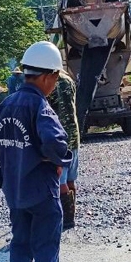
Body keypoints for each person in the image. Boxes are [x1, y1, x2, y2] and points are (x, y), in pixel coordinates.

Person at [0, 41, 70, 262]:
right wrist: (57, 157)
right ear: (46, 76)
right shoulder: (39, 106)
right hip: (42, 194)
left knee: (20, 247)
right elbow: (56, 142)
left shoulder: (6, 104)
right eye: (56, 78)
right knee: (46, 251)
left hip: (15, 193)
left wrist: (0, 180)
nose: (55, 84)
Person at [47, 71, 79, 230]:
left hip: (59, 136)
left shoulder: (48, 81)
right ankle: (72, 212)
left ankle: (66, 220)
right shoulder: (68, 80)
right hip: (74, 133)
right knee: (71, 179)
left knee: (60, 182)